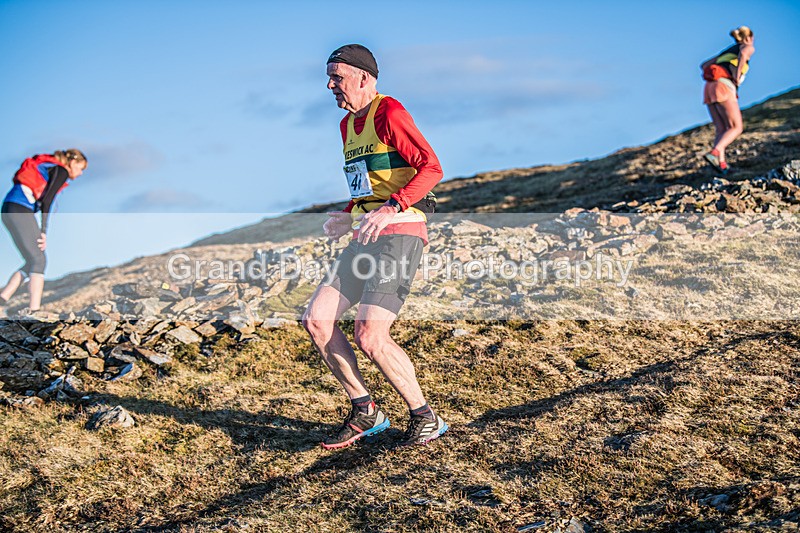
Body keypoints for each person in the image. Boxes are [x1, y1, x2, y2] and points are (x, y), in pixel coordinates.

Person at [303, 44, 447, 449]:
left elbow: (431, 168)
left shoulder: (390, 113)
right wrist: (347, 213)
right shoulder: (347, 126)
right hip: (366, 233)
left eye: (338, 77)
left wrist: (392, 208)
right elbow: (368, 185)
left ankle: (426, 418)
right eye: (329, 77)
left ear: (364, 78)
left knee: (369, 335)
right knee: (317, 319)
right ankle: (366, 410)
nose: (331, 85)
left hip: (400, 232)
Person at [1, 149, 87, 316]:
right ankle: (34, 311)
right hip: (20, 209)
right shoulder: (61, 170)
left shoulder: (48, 166)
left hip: (8, 209)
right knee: (40, 260)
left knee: (32, 260)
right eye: (81, 168)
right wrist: (43, 231)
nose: (81, 173)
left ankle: (2, 298)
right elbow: (48, 200)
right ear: (73, 163)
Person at [700, 26, 755, 175]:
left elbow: (704, 65)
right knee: (736, 127)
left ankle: (722, 165)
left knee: (722, 128)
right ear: (749, 37)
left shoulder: (726, 52)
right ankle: (716, 152)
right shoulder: (747, 46)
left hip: (709, 87)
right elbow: (744, 54)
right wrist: (737, 77)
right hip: (724, 85)